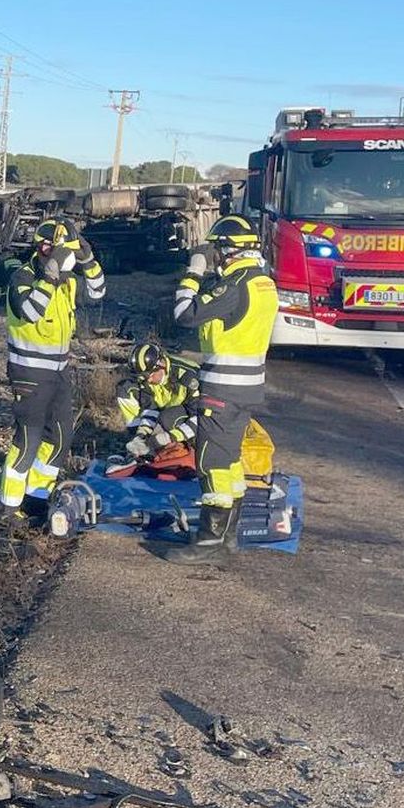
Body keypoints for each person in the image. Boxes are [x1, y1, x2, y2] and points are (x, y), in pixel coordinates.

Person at [166, 215, 276, 562]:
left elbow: (184, 313)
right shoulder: (263, 282)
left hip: (223, 388)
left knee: (211, 462)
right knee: (229, 462)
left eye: (215, 250)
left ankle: (209, 543)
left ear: (227, 250)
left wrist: (193, 272)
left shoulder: (234, 285)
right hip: (248, 388)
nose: (214, 256)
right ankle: (228, 537)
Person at [0, 218, 105, 525]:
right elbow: (30, 312)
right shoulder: (22, 277)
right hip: (28, 373)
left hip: (58, 372)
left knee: (59, 439)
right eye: (64, 254)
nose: (68, 261)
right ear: (45, 248)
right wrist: (49, 277)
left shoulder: (68, 280)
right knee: (27, 441)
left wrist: (88, 260)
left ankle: (35, 502)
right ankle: (8, 511)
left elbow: (98, 293)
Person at [116, 343, 203, 459]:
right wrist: (141, 436)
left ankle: (193, 452)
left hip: (200, 413)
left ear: (161, 365)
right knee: (125, 389)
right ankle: (143, 451)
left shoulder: (188, 377)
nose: (148, 381)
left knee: (167, 418)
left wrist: (167, 438)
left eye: (149, 376)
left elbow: (201, 420)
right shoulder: (148, 380)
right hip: (172, 408)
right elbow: (151, 410)